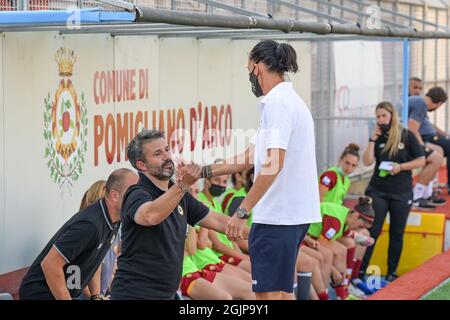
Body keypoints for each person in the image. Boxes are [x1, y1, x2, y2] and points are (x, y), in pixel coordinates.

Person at [182, 40, 322, 300]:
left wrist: (242, 212)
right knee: (282, 291)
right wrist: (203, 171)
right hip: (292, 215)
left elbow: (272, 165)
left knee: (267, 296)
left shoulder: (277, 105)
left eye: (248, 69)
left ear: (257, 67)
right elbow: (249, 156)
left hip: (278, 216)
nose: (249, 76)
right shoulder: (286, 100)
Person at [110, 129, 249, 300]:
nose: (167, 157)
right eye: (157, 153)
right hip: (135, 294)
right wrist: (183, 185)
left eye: (167, 149)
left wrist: (265, 233)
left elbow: (217, 220)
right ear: (141, 165)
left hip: (167, 294)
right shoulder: (137, 193)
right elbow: (150, 216)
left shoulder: (178, 193)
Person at [18, 169, 138, 300]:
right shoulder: (90, 225)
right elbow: (50, 265)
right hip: (40, 294)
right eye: (134, 193)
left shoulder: (114, 220)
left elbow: (95, 260)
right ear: (115, 195)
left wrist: (96, 296)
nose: (140, 198)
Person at [360, 101, 426, 282]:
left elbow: (421, 160)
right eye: (378, 116)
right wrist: (372, 140)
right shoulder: (378, 136)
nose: (381, 120)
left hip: (401, 192)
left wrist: (401, 167)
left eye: (384, 116)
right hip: (378, 190)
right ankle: (360, 271)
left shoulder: (407, 135)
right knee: (372, 230)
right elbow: (366, 162)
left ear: (392, 115)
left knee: (397, 233)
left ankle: (391, 272)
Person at [307, 199, 375, 300]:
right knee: (328, 255)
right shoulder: (335, 220)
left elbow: (345, 232)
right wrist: (333, 270)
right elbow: (320, 244)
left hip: (315, 236)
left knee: (342, 250)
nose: (358, 228)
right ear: (356, 215)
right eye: (360, 226)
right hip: (306, 236)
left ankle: (343, 292)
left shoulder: (345, 215)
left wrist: (360, 237)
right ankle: (326, 295)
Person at [408, 87, 449, 195]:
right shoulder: (421, 103)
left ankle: (427, 193)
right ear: (439, 103)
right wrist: (422, 148)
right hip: (404, 140)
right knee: (436, 157)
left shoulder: (419, 101)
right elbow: (412, 128)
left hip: (410, 137)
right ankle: (417, 196)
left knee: (438, 151)